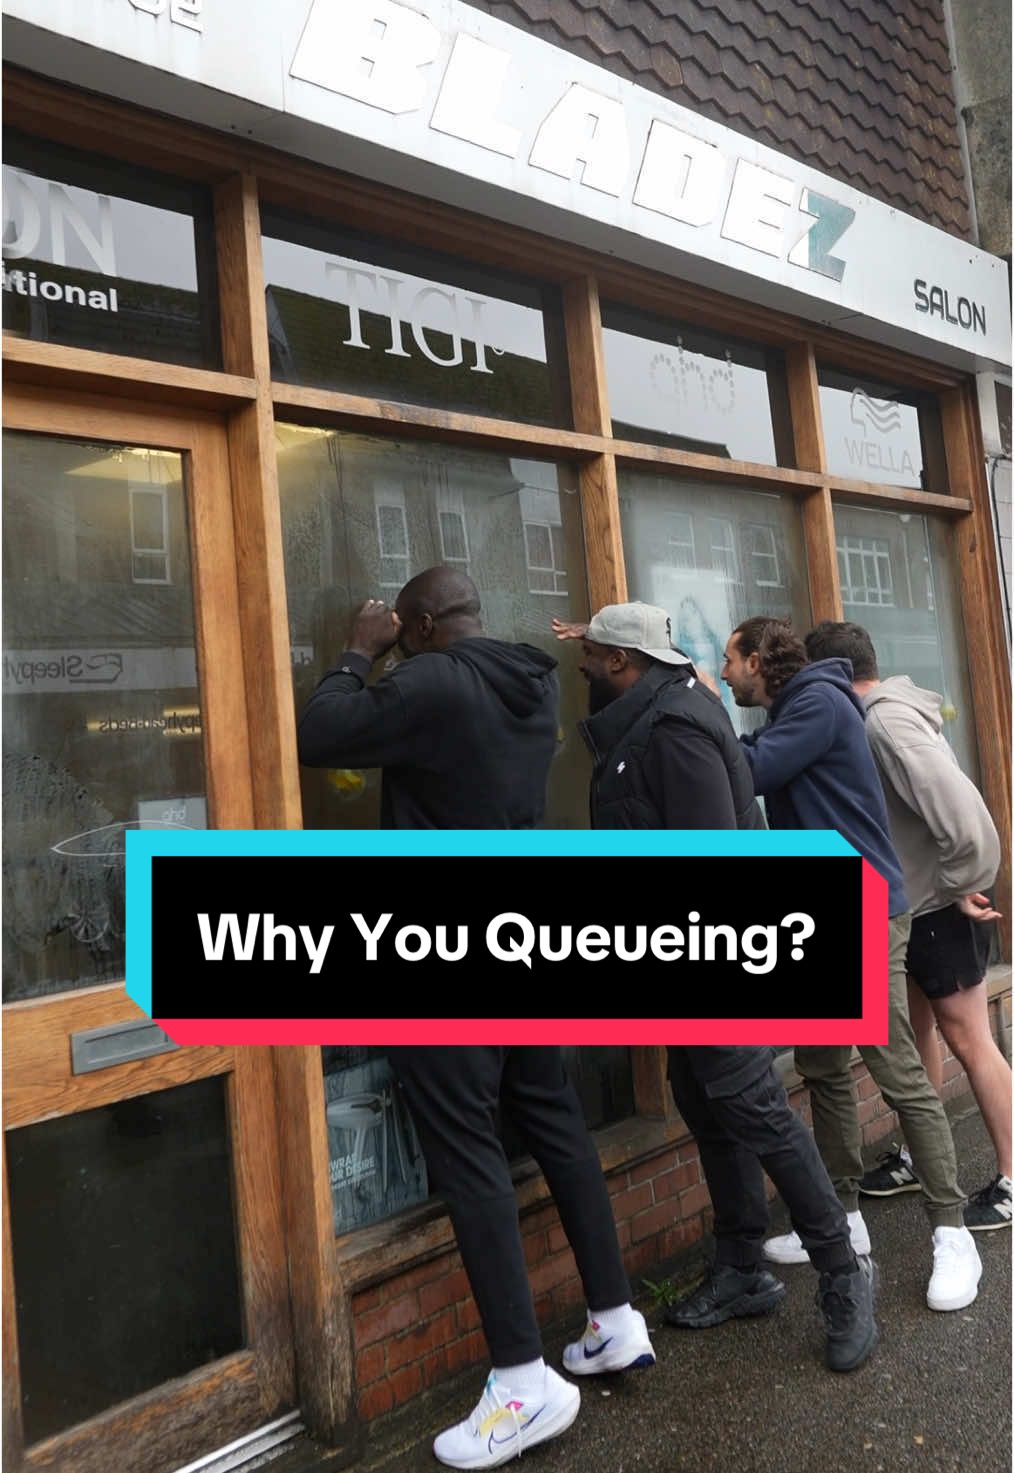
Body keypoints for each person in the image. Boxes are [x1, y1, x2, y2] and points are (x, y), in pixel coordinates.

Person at [299, 568, 654, 1469]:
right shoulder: (530, 679)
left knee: (467, 1153)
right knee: (553, 1120)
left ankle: (522, 1383)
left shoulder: (425, 678)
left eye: (401, 627)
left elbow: (319, 729)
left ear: (418, 624)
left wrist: (354, 650)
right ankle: (614, 1318)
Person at [553, 600, 879, 1372]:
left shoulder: (673, 730)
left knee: (756, 1108)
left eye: (593, 662)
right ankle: (742, 1265)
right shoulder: (657, 708)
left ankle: (843, 1269)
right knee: (706, 1101)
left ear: (624, 667)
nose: (586, 675)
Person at [721, 616, 983, 1311]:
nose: (722, 675)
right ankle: (842, 1218)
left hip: (862, 906)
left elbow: (749, 769)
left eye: (728, 661)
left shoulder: (815, 702)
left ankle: (953, 1231)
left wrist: (687, 707)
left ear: (758, 659)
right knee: (825, 1068)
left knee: (895, 1067)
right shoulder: (798, 706)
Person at [803, 621, 1010, 1231]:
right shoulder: (879, 715)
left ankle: (1011, 1179)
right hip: (912, 903)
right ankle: (920, 1158)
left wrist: (960, 883)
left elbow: (965, 818)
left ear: (833, 678)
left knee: (969, 1038)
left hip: (939, 904)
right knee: (917, 1033)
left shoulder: (882, 722)